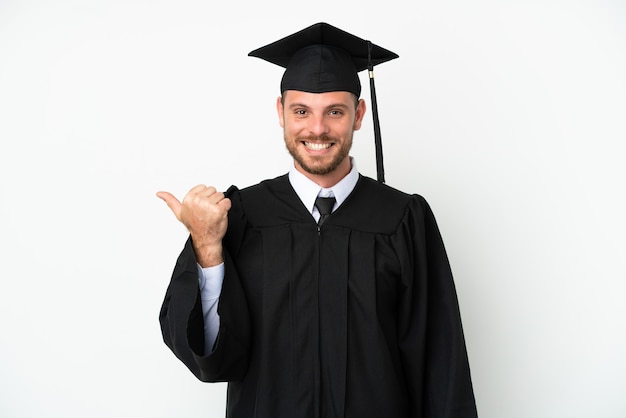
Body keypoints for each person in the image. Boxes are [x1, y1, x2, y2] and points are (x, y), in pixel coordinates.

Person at [157, 22, 478, 418]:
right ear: (281, 113)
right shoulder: (239, 216)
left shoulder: (402, 219)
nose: (317, 128)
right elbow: (213, 361)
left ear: (359, 115)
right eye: (302, 111)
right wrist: (207, 247)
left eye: (335, 112)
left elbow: (440, 363)